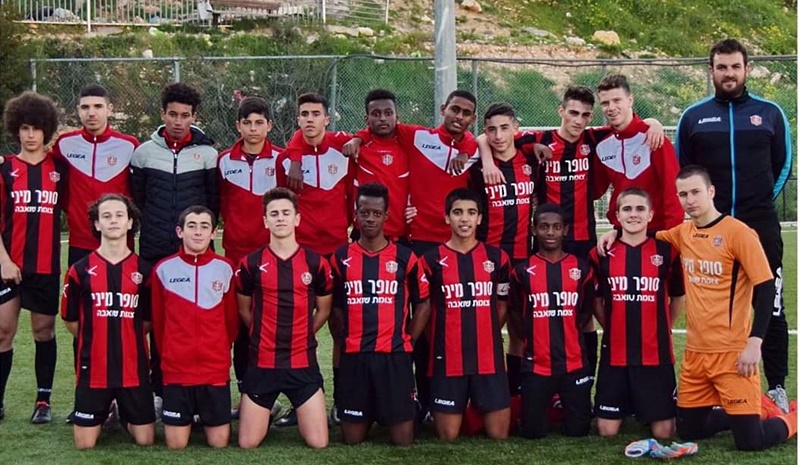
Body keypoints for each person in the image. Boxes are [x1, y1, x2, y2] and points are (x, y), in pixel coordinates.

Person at [598, 165, 797, 451]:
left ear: (711, 191)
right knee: (689, 430)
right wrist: (614, 231)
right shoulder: (682, 233)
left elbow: (766, 288)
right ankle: (744, 414)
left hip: (732, 354)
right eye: (683, 194)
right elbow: (642, 234)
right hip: (696, 355)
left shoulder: (739, 233)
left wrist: (755, 342)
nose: (689, 200)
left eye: (695, 192)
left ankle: (792, 417)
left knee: (751, 442)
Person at [675, 38, 793, 412]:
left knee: (771, 303)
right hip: (713, 228)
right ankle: (715, 388)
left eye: (735, 67)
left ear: (747, 69)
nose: (729, 74)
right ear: (711, 70)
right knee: (716, 307)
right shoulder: (693, 117)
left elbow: (783, 164)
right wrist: (711, 214)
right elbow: (685, 169)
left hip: (760, 225)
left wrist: (757, 204)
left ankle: (776, 386)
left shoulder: (770, 113)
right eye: (722, 67)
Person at [130, 82, 219, 407]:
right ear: (162, 114)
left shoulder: (208, 154)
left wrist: (197, 237)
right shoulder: (143, 153)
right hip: (155, 251)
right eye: (172, 114)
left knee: (197, 320)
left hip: (196, 253)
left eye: (185, 115)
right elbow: (138, 199)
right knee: (156, 322)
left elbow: (213, 204)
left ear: (194, 117)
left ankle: (199, 391)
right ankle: (158, 391)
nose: (178, 121)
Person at [275, 92, 355, 426]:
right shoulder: (286, 160)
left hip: (337, 252)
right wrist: (295, 153)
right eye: (304, 114)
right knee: (300, 330)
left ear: (327, 118)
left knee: (341, 328)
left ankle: (343, 401)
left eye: (315, 114)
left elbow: (363, 137)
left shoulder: (344, 149)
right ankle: (303, 402)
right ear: (298, 119)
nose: (310, 119)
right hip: (302, 255)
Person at [330, 182, 431, 445]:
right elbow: (335, 307)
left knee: (403, 440)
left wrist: (408, 340)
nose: (370, 219)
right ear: (356, 214)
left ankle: (402, 404)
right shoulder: (340, 258)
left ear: (386, 216)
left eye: (376, 213)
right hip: (356, 356)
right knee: (352, 439)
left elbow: (423, 304)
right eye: (364, 212)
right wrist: (344, 337)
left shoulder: (405, 257)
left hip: (394, 357)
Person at [236, 187, 331, 449]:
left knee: (318, 442)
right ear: (265, 221)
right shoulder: (250, 263)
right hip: (263, 362)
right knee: (247, 443)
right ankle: (266, 411)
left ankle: (293, 408)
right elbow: (244, 310)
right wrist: (262, 332)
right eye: (274, 213)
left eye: (286, 213)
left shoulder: (316, 263)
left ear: (297, 219)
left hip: (302, 362)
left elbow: (324, 309)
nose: (280, 218)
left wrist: (304, 332)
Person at [588, 188, 685, 439]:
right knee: (607, 430)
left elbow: (678, 296)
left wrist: (665, 325)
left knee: (665, 432)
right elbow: (595, 299)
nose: (634, 214)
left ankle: (647, 405)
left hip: (655, 354)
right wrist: (610, 325)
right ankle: (630, 404)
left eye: (640, 209)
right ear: (617, 215)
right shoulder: (601, 253)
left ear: (650, 215)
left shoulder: (667, 251)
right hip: (615, 353)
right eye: (627, 209)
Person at [61, 194, 155, 449]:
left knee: (145, 440)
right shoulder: (79, 270)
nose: (113, 220)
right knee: (85, 444)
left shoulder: (144, 271)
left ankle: (121, 414)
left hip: (133, 370)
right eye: (106, 216)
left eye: (119, 215)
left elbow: (148, 321)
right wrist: (96, 335)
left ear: (129, 222)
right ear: (97, 224)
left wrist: (125, 332)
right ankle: (104, 412)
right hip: (94, 370)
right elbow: (71, 320)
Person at [419, 187, 511, 441]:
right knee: (448, 435)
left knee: (499, 434)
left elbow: (503, 305)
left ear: (479, 218)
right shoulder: (430, 260)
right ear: (447, 217)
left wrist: (488, 332)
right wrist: (439, 339)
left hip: (488, 357)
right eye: (457, 212)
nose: (464, 219)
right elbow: (425, 311)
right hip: (448, 358)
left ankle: (476, 406)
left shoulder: (497, 258)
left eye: (471, 213)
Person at [0, 91, 66, 424]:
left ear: (46, 130)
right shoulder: (5, 168)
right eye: (24, 128)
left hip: (45, 265)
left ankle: (43, 401)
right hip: (8, 265)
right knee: (3, 331)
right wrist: (3, 260)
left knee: (44, 331)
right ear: (16, 129)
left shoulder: (60, 169)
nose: (30, 135)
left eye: (36, 128)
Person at [151, 206, 238, 449]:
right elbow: (159, 323)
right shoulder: (163, 269)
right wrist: (172, 353)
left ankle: (204, 414)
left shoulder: (226, 268)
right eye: (191, 226)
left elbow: (231, 321)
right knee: (176, 444)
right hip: (177, 371)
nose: (198, 232)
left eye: (204, 226)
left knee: (219, 443)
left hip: (214, 370)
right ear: (180, 232)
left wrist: (218, 349)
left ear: (214, 233)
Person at [217, 96, 283, 416]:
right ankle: (245, 393)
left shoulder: (283, 160)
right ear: (238, 126)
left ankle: (271, 395)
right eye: (247, 123)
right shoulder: (223, 162)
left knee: (269, 326)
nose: (253, 128)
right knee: (239, 328)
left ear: (269, 125)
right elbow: (217, 205)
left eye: (259, 122)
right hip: (234, 258)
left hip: (270, 258)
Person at [467, 102, 538, 397]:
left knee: (521, 329)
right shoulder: (477, 169)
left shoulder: (531, 159)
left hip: (522, 258)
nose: (497, 136)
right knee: (488, 327)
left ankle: (514, 390)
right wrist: (485, 157)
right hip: (489, 260)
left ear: (515, 129)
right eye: (491, 130)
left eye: (504, 128)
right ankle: (483, 388)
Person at [509, 203, 595, 439]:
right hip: (536, 366)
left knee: (578, 431)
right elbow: (515, 312)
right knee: (532, 432)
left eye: (556, 227)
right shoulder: (522, 270)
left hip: (574, 364)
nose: (550, 232)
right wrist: (528, 336)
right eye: (544, 226)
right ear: (534, 230)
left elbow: (586, 310)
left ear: (565, 230)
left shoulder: (581, 268)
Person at [594, 74, 684, 231]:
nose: (611, 108)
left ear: (630, 100)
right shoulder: (602, 143)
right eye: (605, 103)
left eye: (617, 100)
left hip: (656, 232)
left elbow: (673, 192)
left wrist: (672, 236)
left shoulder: (654, 138)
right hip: (622, 232)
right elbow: (595, 190)